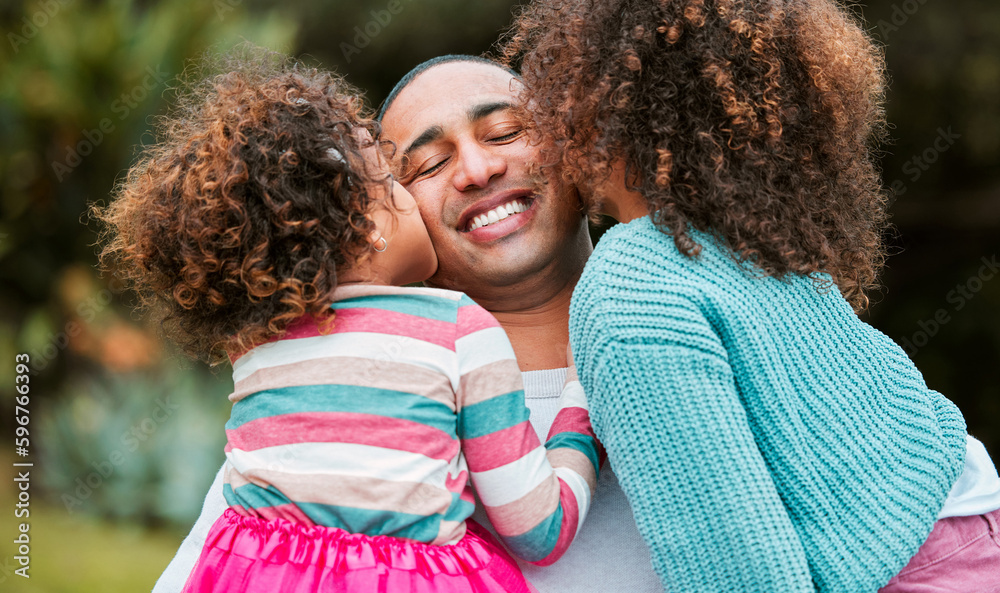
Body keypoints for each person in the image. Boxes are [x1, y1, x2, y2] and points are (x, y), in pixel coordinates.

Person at [505, 0, 1000, 591]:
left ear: (594, 104)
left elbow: (735, 566)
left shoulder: (629, 288)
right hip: (971, 518)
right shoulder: (746, 233)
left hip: (910, 570)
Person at [154, 55, 665, 593]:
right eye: (423, 168)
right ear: (362, 219)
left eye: (505, 131)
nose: (477, 170)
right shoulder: (312, 431)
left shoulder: (697, 343)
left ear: (577, 149)